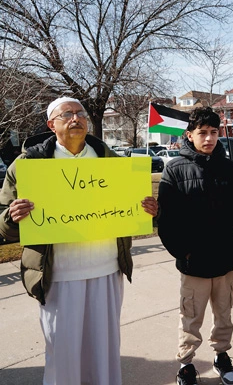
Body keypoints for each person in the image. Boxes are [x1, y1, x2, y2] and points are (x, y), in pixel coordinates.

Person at [0, 96, 158, 385]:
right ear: (51, 125)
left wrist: (147, 210)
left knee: (105, 351)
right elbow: (4, 227)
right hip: (58, 275)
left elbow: (132, 209)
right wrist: (12, 216)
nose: (76, 118)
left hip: (106, 269)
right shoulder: (28, 165)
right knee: (63, 354)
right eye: (67, 114)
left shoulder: (111, 161)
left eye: (80, 113)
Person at [157, 107, 233, 385]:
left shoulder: (228, 168)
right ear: (190, 134)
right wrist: (182, 251)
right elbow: (167, 219)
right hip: (193, 263)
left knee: (224, 315)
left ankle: (222, 355)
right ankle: (186, 363)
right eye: (202, 133)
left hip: (225, 261)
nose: (208, 138)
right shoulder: (175, 168)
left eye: (213, 132)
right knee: (190, 317)